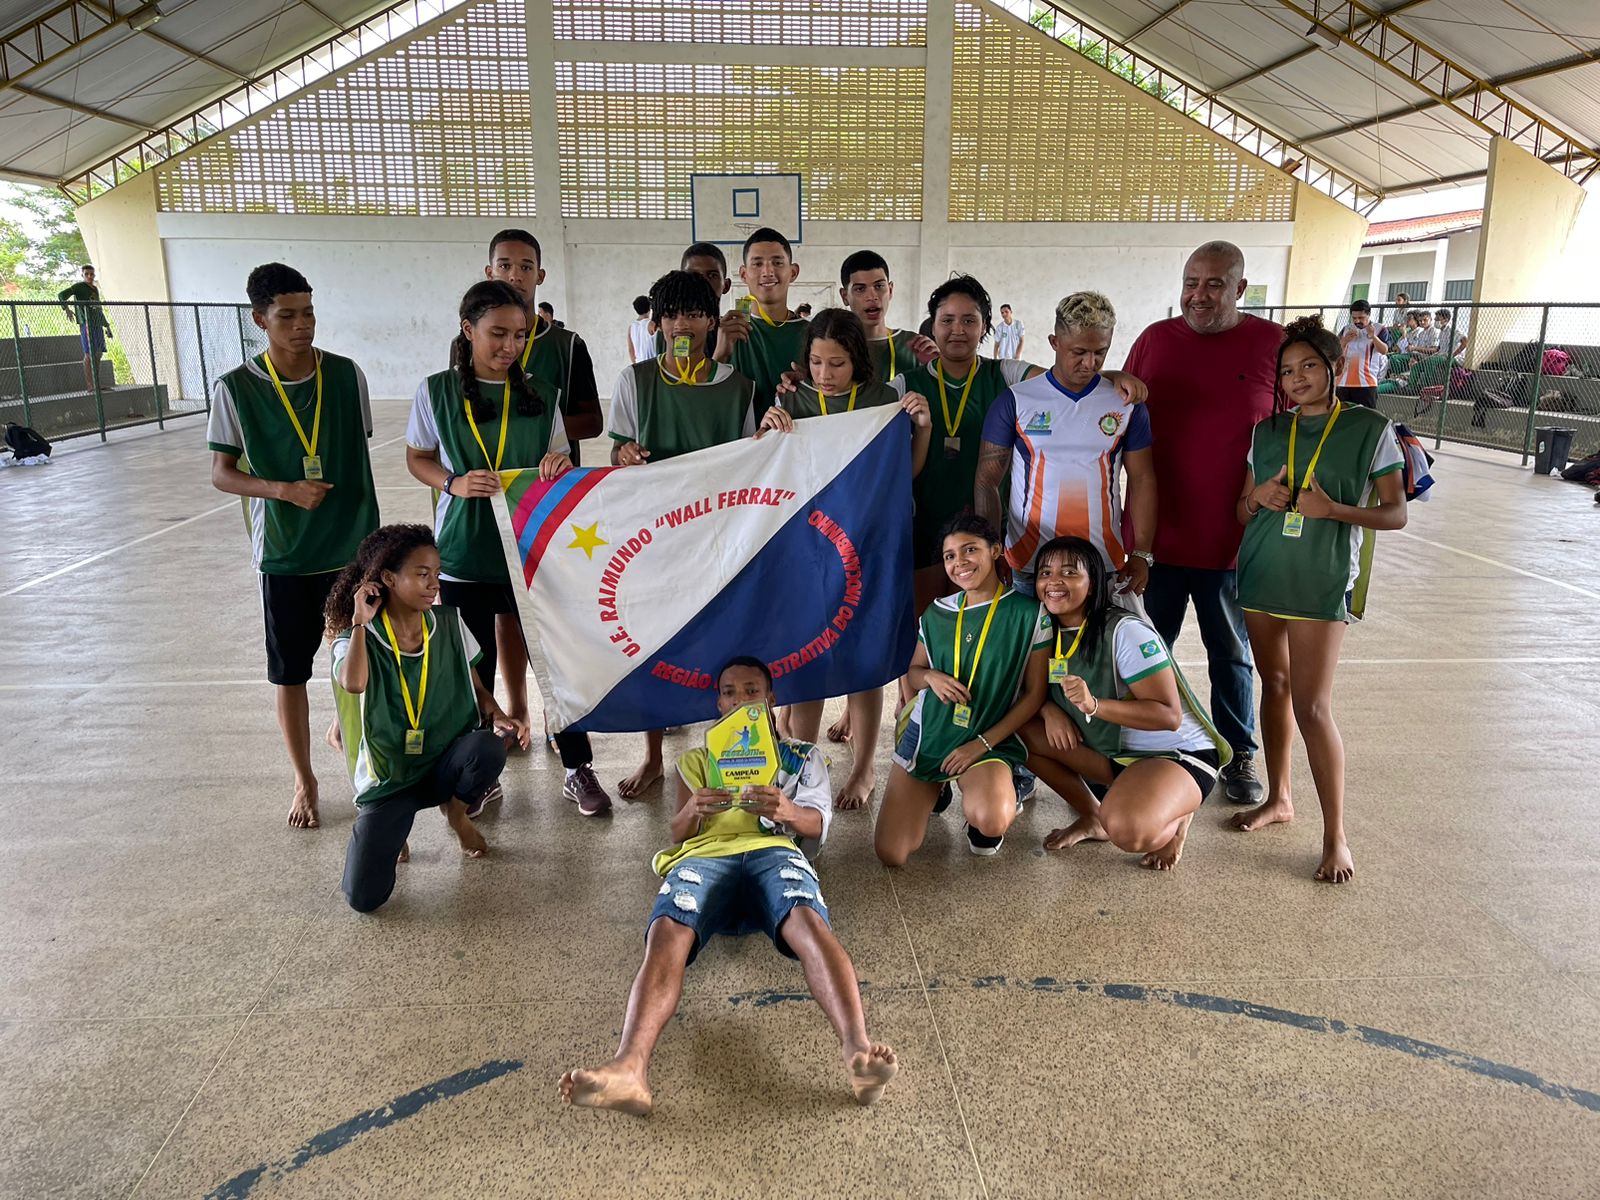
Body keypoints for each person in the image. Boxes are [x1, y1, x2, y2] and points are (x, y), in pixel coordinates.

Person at [559, 656, 896, 1116]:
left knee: (809, 922)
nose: (740, 700)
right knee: (666, 932)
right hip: (704, 856)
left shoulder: (801, 756)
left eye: (752, 691)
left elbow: (817, 824)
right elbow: (678, 834)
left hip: (774, 851)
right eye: (730, 692)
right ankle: (629, 1068)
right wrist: (694, 808)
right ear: (718, 702)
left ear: (771, 699)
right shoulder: (696, 759)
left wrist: (787, 812)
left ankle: (858, 1052)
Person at [404, 280, 612, 817]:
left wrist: (558, 466)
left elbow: (562, 463)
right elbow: (418, 457)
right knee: (473, 670)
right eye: (497, 334)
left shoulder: (544, 396)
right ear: (468, 330)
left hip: (532, 555)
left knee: (558, 666)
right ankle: (479, 775)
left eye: (519, 335)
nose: (509, 346)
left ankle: (577, 768)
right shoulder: (434, 392)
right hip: (463, 554)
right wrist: (451, 483)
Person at [1232, 315, 1408, 883]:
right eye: (1287, 371)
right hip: (1261, 574)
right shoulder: (1265, 431)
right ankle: (1279, 797)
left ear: (1334, 368)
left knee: (1311, 705)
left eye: (1309, 366)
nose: (1297, 378)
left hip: (1321, 580)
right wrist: (1257, 496)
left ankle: (1336, 836)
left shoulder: (1369, 428)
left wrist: (1334, 511)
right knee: (1274, 686)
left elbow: (1395, 513)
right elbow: (1242, 509)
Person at [208, 262, 380, 830]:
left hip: (353, 550)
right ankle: (304, 777)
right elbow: (222, 474)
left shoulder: (347, 375)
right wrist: (281, 489)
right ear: (261, 319)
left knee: (361, 666)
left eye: (308, 312)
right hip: (285, 554)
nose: (302, 325)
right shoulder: (235, 389)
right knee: (290, 673)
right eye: (287, 316)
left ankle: (367, 773)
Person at [1121, 240, 1282, 806]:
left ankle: (1237, 754)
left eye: (1214, 284)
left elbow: (1295, 427)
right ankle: (1143, 747)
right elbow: (1113, 415)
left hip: (1233, 539)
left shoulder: (1271, 344)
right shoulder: (1154, 341)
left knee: (1230, 652)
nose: (1199, 294)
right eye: (1191, 282)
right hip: (1153, 541)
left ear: (1239, 289)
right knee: (1145, 648)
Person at [757, 307, 933, 807]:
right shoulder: (792, 399)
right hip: (806, 551)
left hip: (869, 546)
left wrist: (919, 428)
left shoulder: (883, 400)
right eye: (815, 362)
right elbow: (769, 473)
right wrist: (769, 430)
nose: (824, 374)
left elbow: (906, 473)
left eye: (835, 363)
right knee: (807, 655)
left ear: (857, 360)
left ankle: (862, 770)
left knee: (864, 656)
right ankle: (802, 763)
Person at [326, 524, 530, 913]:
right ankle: (392, 826)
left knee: (487, 748)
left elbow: (477, 688)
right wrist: (357, 622)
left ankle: (456, 813)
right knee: (364, 898)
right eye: (422, 575)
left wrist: (500, 715)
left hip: (443, 761)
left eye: (437, 574)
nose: (434, 584)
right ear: (388, 578)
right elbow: (353, 684)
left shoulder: (449, 623)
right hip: (391, 778)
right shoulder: (358, 639)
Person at [610, 270, 757, 797]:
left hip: (718, 542)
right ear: (657, 323)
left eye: (695, 313)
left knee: (723, 649)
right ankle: (652, 756)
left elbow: (751, 464)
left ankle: (732, 750)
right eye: (672, 314)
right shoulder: (636, 380)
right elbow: (617, 451)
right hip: (654, 540)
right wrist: (623, 454)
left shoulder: (739, 388)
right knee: (653, 646)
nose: (683, 324)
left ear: (711, 320)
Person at [1019, 536, 1228, 871]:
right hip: (1115, 754)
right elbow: (1028, 692)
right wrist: (1049, 710)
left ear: (1093, 584)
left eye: (1070, 572)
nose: (1054, 581)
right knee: (1021, 731)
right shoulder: (1044, 630)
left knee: (1130, 832)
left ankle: (1178, 816)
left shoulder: (1124, 631)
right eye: (1045, 573)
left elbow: (1169, 715)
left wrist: (1094, 706)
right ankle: (1093, 816)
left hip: (1176, 755)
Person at [874, 514, 1051, 862]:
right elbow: (913, 672)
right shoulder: (936, 613)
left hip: (986, 739)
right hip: (932, 734)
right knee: (890, 852)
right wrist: (930, 678)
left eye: (970, 550)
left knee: (991, 818)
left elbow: (1034, 694)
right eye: (950, 556)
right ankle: (936, 788)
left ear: (996, 550)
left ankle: (995, 794)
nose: (960, 562)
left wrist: (980, 745)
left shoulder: (1029, 613)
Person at [974, 291, 1155, 599]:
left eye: (1101, 352)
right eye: (1079, 352)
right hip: (1030, 563)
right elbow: (987, 480)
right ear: (1054, 342)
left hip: (1101, 563)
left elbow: (1143, 479)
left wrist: (1142, 553)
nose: (1090, 363)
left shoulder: (1125, 403)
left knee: (1092, 648)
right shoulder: (1016, 400)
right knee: (1031, 648)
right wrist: (992, 549)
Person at [713, 226, 807, 415]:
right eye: (757, 264)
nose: (767, 271)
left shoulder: (813, 333)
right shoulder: (725, 330)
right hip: (742, 442)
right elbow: (704, 399)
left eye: (777, 263)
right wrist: (719, 356)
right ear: (743, 274)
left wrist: (811, 382)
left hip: (795, 438)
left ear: (793, 272)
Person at [837, 249, 938, 383]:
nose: (872, 297)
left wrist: (937, 368)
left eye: (879, 286)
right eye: (860, 289)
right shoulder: (832, 345)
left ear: (890, 290)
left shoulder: (914, 345)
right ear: (845, 296)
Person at [655, 241, 731, 359]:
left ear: (726, 285)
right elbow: (678, 374)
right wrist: (720, 357)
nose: (702, 283)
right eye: (693, 275)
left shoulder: (734, 332)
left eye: (712, 276)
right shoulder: (673, 331)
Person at [58, 264, 113, 393]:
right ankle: (90, 385)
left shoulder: (94, 289)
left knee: (98, 353)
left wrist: (106, 325)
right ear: (82, 275)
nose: (89, 276)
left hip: (97, 323)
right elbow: (61, 295)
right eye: (86, 274)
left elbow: (98, 308)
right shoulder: (78, 287)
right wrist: (66, 308)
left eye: (91, 274)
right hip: (87, 323)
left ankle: (96, 382)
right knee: (89, 354)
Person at [1335, 299, 1388, 408]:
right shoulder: (1346, 329)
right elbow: (1335, 351)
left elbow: (1384, 350)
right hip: (1343, 382)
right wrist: (1344, 341)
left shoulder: (1379, 329)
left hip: (1366, 383)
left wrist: (1373, 336)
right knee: (1341, 418)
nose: (1357, 321)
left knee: (1365, 418)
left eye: (1361, 318)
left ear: (1368, 315)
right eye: (1354, 318)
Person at [627, 295, 654, 364]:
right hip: (652, 364)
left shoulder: (631, 327)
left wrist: (635, 364)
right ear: (649, 307)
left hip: (639, 364)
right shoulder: (651, 324)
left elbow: (631, 349)